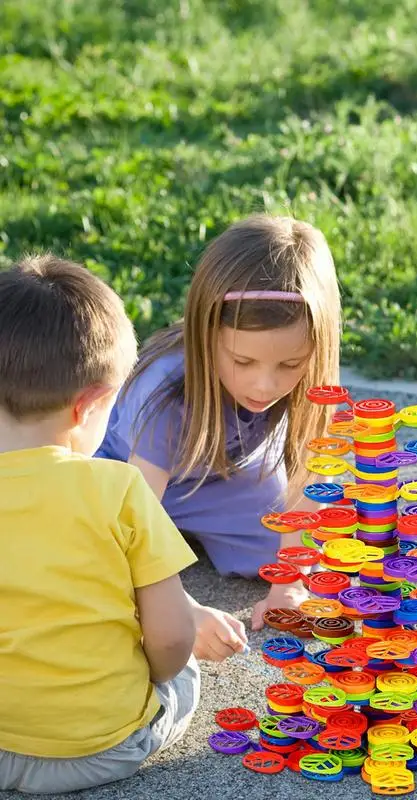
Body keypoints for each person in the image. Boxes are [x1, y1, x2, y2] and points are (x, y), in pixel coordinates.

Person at [96, 214, 341, 662]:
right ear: (206, 334)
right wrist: (181, 610)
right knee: (95, 559)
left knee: (302, 552)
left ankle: (191, 538)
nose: (264, 386)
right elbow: (134, 518)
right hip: (128, 481)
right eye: (242, 361)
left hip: (218, 479)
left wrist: (289, 586)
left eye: (289, 365)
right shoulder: (165, 391)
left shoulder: (313, 382)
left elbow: (310, 478)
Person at [0, 256, 199, 794]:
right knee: (184, 676)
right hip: (99, 750)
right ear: (87, 407)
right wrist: (154, 679)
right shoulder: (117, 487)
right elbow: (174, 636)